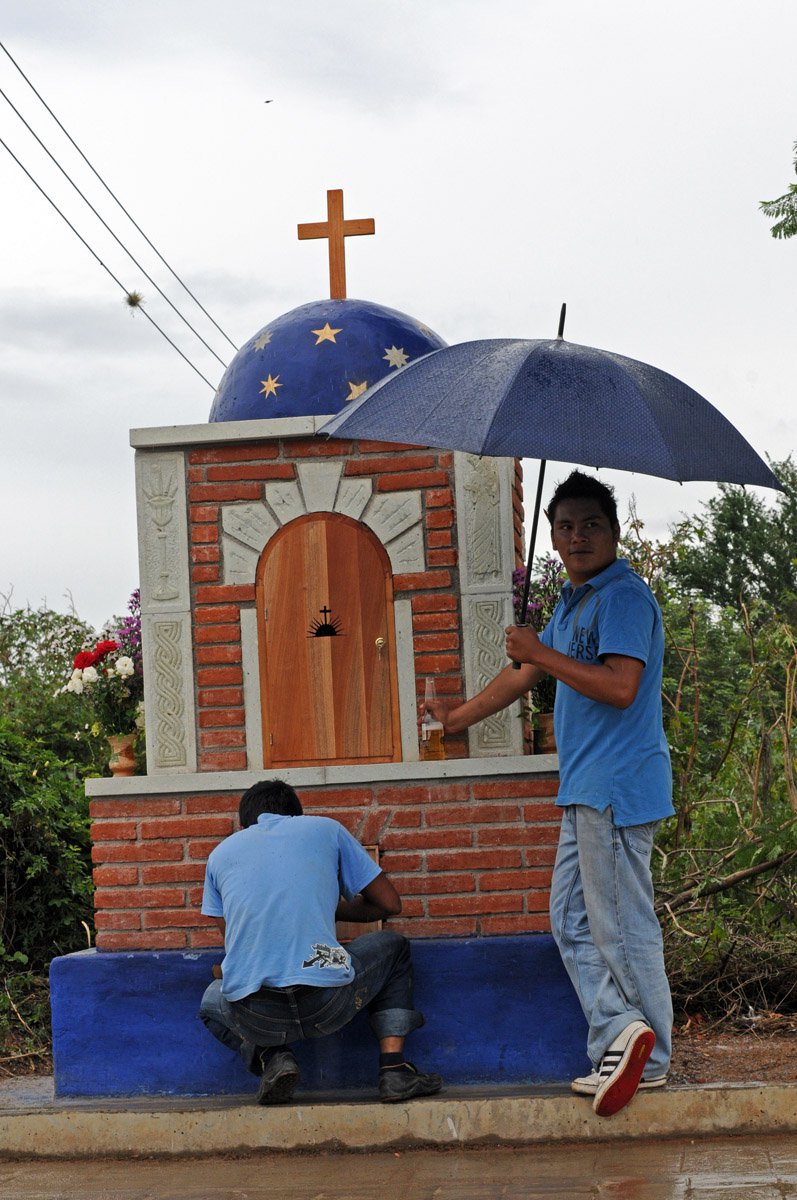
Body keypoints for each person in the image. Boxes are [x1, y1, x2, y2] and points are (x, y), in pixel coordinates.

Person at [425, 470, 674, 1117]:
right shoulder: (572, 602)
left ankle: (652, 1058)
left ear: (613, 532)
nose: (576, 536)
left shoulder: (622, 597)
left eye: (590, 524)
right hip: (584, 790)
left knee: (620, 927)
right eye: (564, 526)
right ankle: (623, 1034)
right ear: (552, 537)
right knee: (567, 920)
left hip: (617, 786)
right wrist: (451, 720)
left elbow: (618, 686)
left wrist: (539, 649)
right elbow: (521, 677)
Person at [198, 778, 442, 1105]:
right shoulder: (326, 830)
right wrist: (330, 907)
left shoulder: (219, 855)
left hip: (256, 1013)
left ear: (243, 826)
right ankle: (395, 1071)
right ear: (298, 815)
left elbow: (235, 943)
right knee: (394, 947)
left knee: (211, 1001)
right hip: (327, 999)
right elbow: (390, 904)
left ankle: (272, 1057)